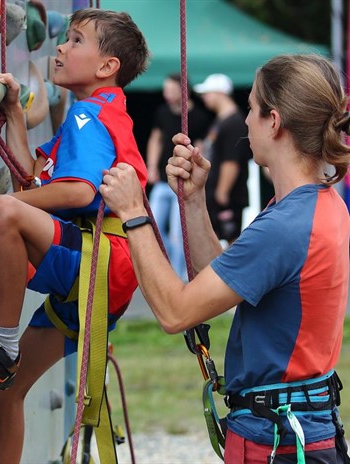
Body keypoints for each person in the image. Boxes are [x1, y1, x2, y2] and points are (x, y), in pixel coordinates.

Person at [100, 54, 350, 463]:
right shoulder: (316, 205)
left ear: (274, 121)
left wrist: (133, 214)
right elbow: (220, 281)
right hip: (294, 429)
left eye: (251, 108)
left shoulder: (286, 225)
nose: (246, 121)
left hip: (278, 440)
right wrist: (195, 202)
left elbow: (175, 312)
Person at [0, 8, 149, 463]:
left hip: (101, 259)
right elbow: (38, 181)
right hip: (107, 272)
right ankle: (5, 355)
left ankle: (2, 345)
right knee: (7, 396)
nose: (60, 46)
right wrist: (15, 111)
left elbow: (77, 191)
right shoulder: (102, 115)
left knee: (3, 213)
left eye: (75, 41)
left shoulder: (87, 116)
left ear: (106, 67)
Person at [146, 73, 211, 279]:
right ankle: (167, 268)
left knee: (179, 232)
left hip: (183, 182)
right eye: (165, 89)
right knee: (153, 226)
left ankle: (179, 275)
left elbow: (202, 148)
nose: (166, 93)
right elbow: (155, 139)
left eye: (171, 89)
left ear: (183, 91)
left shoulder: (198, 116)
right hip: (163, 181)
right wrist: (152, 166)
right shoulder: (163, 112)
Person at [194, 73, 253, 244]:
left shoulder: (233, 123)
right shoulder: (221, 121)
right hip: (216, 194)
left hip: (228, 196)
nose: (204, 97)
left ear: (220, 93)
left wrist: (222, 192)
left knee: (230, 243)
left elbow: (231, 161)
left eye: (207, 93)